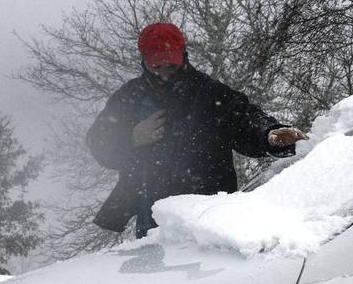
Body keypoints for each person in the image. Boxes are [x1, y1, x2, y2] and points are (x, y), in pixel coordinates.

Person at [87, 22, 307, 237]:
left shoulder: (210, 94)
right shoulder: (128, 98)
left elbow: (245, 119)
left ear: (183, 55)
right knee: (152, 274)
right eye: (157, 66)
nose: (164, 73)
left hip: (208, 218)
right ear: (144, 61)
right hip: (152, 218)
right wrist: (132, 138)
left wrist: (269, 134)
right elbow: (98, 143)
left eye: (171, 65)